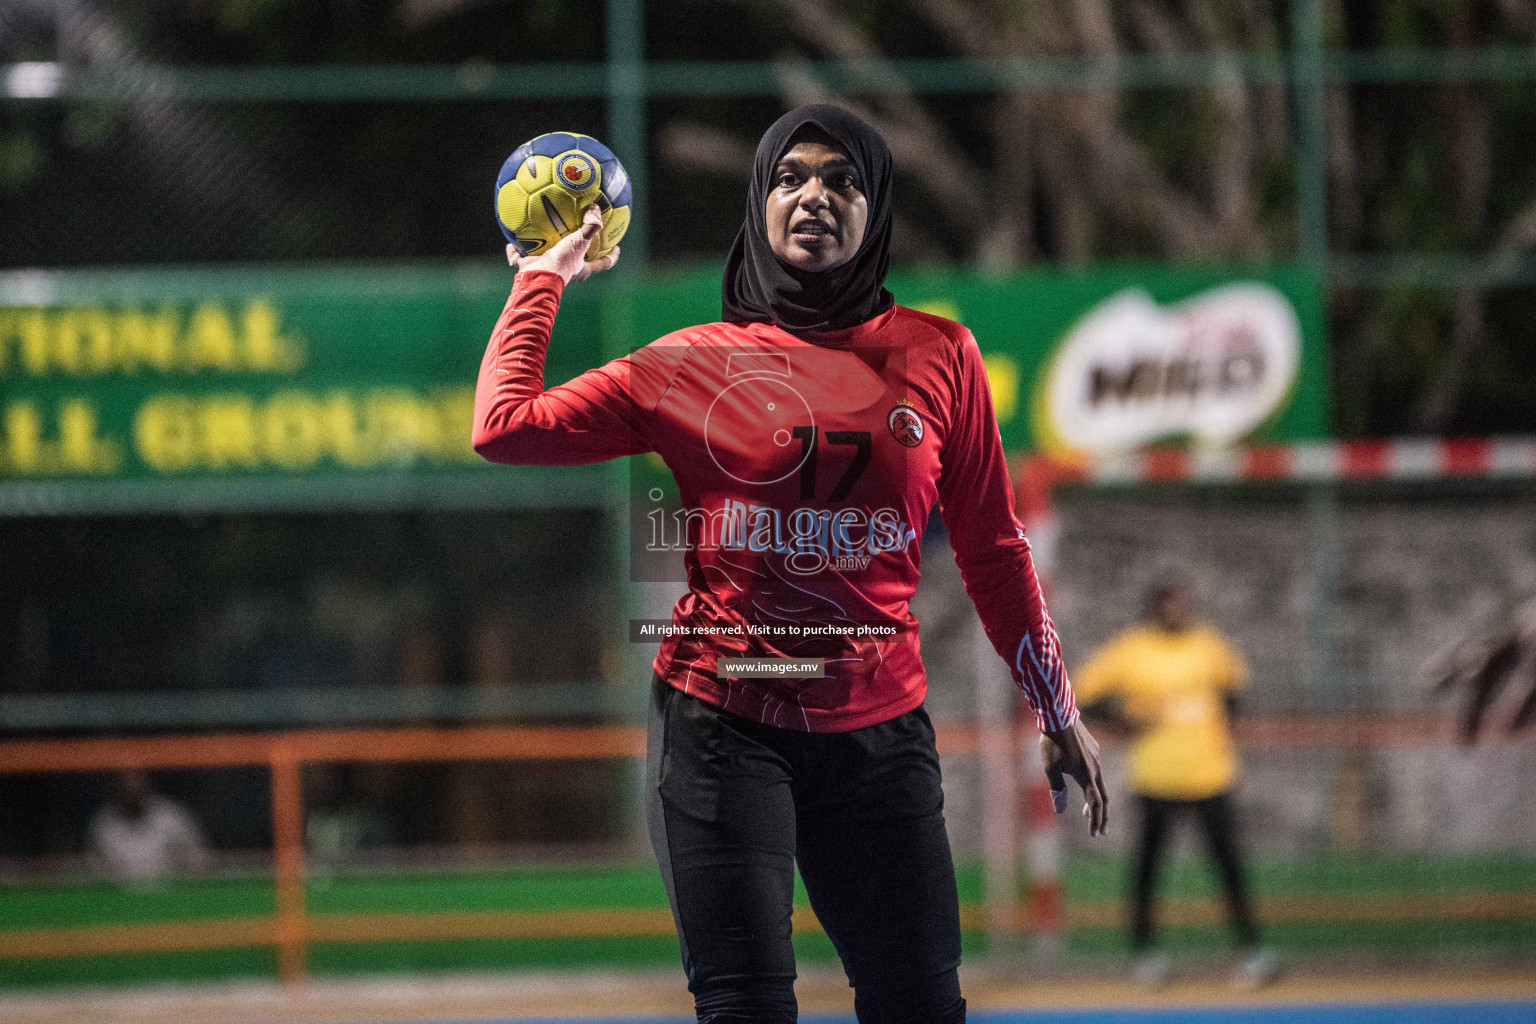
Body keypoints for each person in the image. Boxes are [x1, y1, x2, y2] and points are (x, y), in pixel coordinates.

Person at [473, 105, 1107, 1024]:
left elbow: (995, 550)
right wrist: (542, 277)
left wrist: (1056, 706)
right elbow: (504, 427)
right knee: (748, 1011)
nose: (814, 195)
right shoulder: (690, 365)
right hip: (725, 726)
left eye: (841, 179)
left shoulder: (943, 356)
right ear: (759, 203)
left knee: (922, 1008)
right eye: (790, 178)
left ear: (875, 205)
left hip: (880, 738)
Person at [1072, 579, 1275, 989]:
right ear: (1154, 609)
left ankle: (1250, 951)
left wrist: (1220, 731)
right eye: (1168, 605)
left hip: (1210, 774)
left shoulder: (1209, 646)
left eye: (1182, 604)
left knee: (1228, 864)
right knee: (1148, 868)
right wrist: (1122, 721)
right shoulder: (1132, 650)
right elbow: (1083, 693)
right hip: (1156, 777)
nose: (1176, 612)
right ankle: (1146, 954)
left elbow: (1234, 690)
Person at [89, 768, 211, 882]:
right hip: (118, 898)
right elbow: (91, 870)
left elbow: (199, 861)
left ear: (147, 780)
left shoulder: (172, 817)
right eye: (125, 780)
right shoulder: (103, 823)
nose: (131, 786)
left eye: (136, 778)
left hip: (171, 895)